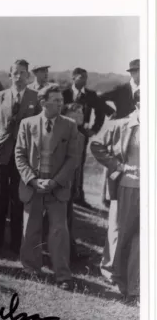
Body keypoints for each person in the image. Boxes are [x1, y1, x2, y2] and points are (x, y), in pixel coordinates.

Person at [15, 84, 80, 290]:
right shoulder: (27, 124)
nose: (62, 104)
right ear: (43, 103)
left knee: (59, 231)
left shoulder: (70, 126)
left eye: (62, 100)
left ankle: (62, 275)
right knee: (31, 228)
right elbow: (20, 155)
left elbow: (73, 158)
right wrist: (33, 180)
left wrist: (55, 182)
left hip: (57, 188)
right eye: (57, 100)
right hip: (33, 185)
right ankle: (31, 269)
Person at [0, 59, 40, 252]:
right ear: (10, 75)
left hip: (23, 156)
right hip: (1, 153)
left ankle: (17, 243)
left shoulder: (36, 97)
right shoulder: (0, 96)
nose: (18, 76)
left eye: (22, 73)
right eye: (15, 73)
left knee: (18, 200)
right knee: (1, 199)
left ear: (28, 76)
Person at [90, 104, 140, 304]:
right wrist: (118, 165)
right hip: (129, 186)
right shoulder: (122, 125)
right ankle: (120, 280)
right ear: (138, 104)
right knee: (124, 235)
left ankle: (135, 286)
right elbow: (96, 145)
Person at [96, 59, 140, 278]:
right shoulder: (123, 91)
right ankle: (110, 267)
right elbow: (99, 99)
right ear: (131, 72)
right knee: (116, 221)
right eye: (136, 71)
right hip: (121, 155)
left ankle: (129, 270)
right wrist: (113, 117)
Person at [61, 67, 111, 207]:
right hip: (63, 135)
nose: (84, 80)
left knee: (79, 164)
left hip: (81, 134)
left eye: (86, 77)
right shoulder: (64, 94)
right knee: (62, 162)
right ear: (73, 78)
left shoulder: (91, 95)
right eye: (81, 77)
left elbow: (101, 112)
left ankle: (78, 195)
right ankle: (63, 193)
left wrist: (94, 129)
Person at [60, 103, 86, 262]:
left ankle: (70, 251)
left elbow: (78, 166)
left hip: (70, 182)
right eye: (77, 112)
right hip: (57, 180)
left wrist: (76, 185)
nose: (81, 116)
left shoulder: (81, 137)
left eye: (81, 113)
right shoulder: (60, 132)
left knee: (68, 216)